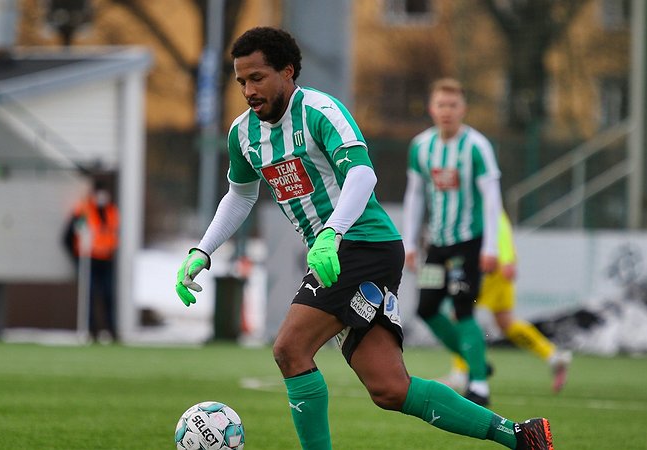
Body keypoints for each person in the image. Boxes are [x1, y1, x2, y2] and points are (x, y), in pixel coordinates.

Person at [175, 27, 555, 450]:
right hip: (338, 251)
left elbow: (362, 173)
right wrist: (202, 250)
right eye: (241, 81)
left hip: (362, 244)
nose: (249, 90)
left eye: (258, 78)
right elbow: (240, 195)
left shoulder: (320, 111)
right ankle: (521, 436)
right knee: (390, 388)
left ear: (287, 71)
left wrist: (331, 233)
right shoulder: (243, 133)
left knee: (290, 349)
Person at [402, 77, 501, 406]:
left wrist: (491, 247)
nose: (446, 111)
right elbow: (415, 195)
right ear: (431, 109)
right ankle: (476, 361)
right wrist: (410, 242)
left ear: (463, 109)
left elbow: (492, 197)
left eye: (453, 105)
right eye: (441, 105)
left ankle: (479, 386)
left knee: (462, 308)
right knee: (426, 308)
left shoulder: (477, 146)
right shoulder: (421, 146)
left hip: (468, 244)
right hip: (437, 244)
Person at [438, 210, 572, 393]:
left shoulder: (479, 199)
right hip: (498, 266)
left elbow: (497, 225)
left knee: (460, 315)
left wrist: (507, 259)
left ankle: (461, 373)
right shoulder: (485, 201)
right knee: (506, 322)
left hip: (487, 266)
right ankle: (553, 356)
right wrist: (508, 259)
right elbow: (500, 224)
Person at [63, 180, 119, 342]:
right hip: (89, 260)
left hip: (106, 260)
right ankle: (91, 330)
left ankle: (111, 330)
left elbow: (111, 234)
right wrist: (77, 258)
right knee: (89, 295)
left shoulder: (111, 211)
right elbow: (68, 236)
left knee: (108, 295)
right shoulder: (83, 211)